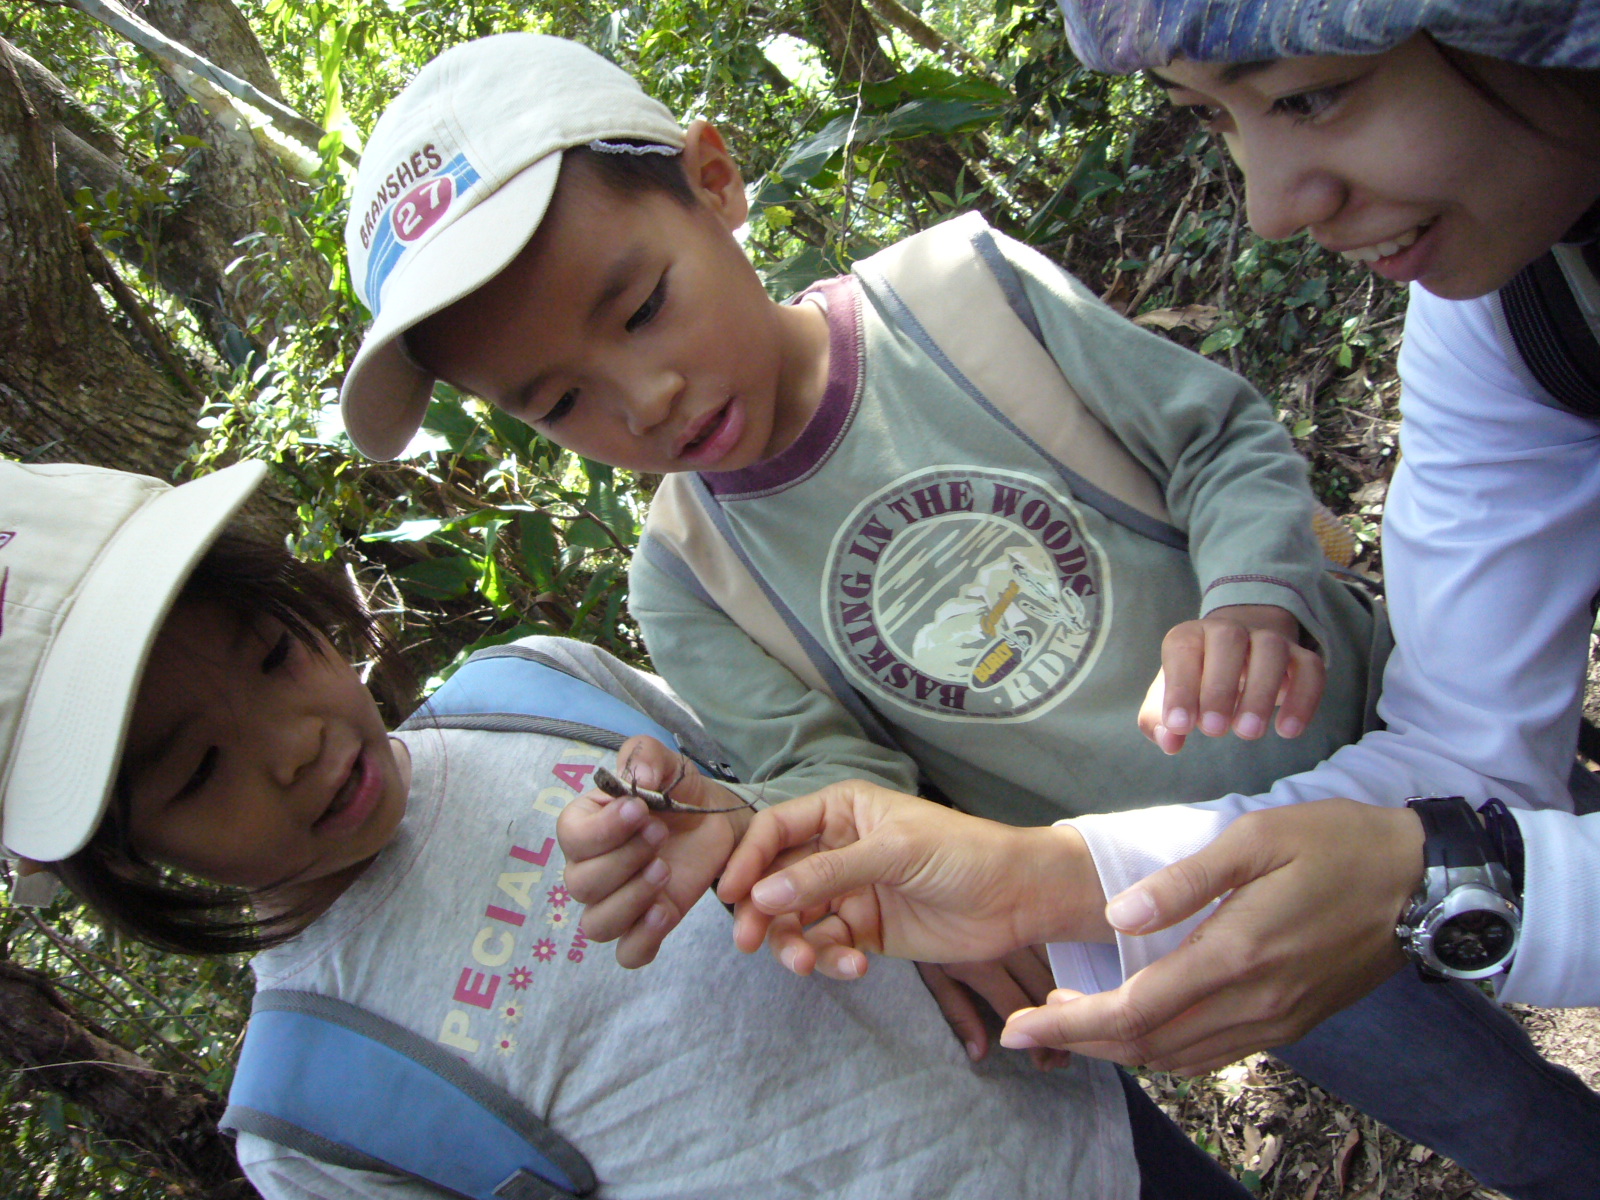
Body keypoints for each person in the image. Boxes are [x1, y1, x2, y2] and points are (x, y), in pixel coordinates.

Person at [331, 30, 1600, 1200]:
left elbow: (1213, 441)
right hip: (1201, 905)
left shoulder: (958, 292)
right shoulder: (687, 577)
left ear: (713, 180)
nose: (646, 397)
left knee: (1549, 873)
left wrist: (1251, 592)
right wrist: (735, 833)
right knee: (1515, 1128)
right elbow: (840, 776)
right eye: (561, 403)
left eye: (642, 305)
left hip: (1395, 722)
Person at [1, 457, 1261, 1200]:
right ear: (131, 857)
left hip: (1088, 1139)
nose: (291, 746)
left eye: (276, 656)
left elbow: (793, 785)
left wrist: (765, 827)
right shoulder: (313, 1111)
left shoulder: (528, 690)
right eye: (200, 768)